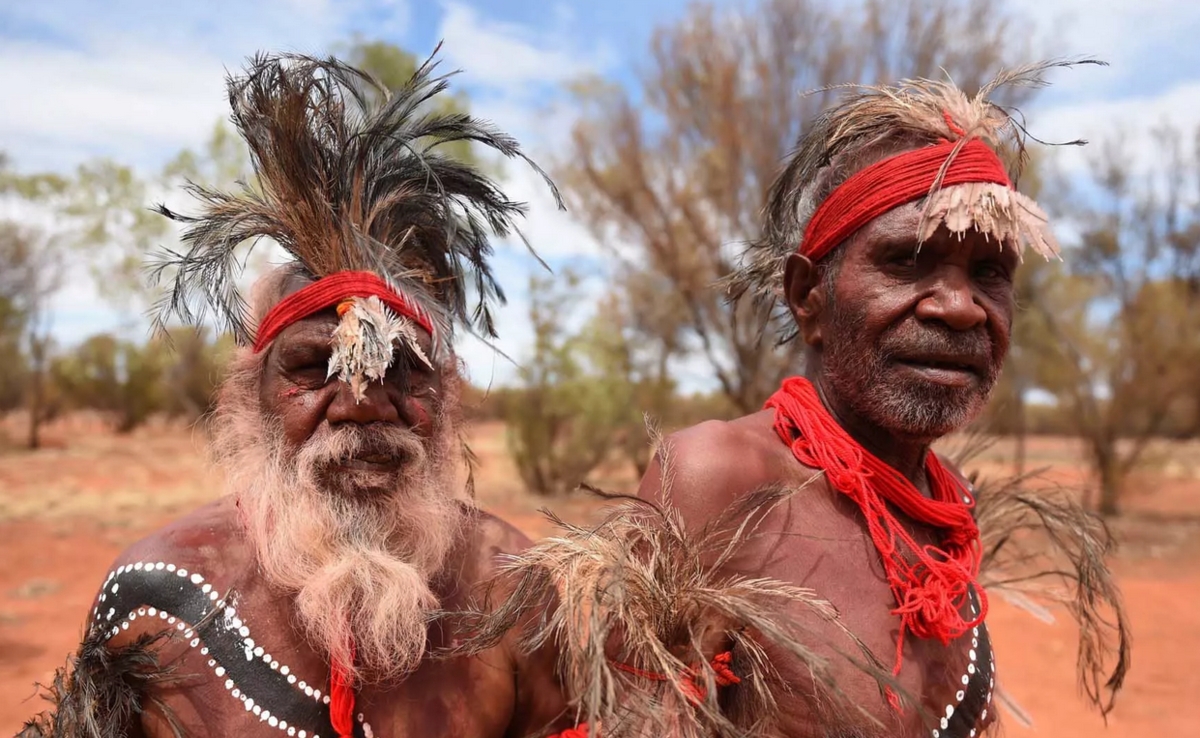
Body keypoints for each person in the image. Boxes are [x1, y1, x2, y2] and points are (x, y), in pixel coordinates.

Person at [464, 63, 1129, 738]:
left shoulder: (949, 505)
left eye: (991, 273)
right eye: (906, 260)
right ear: (808, 296)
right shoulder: (718, 479)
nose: (961, 307)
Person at [19, 51, 573, 738]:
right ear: (248, 397)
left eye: (403, 373)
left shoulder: (512, 589)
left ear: (448, 398)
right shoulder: (154, 596)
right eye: (316, 368)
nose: (364, 403)